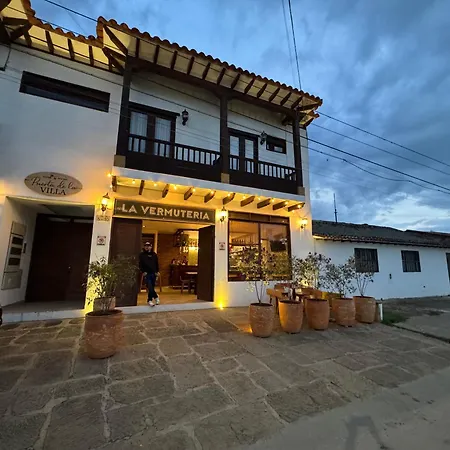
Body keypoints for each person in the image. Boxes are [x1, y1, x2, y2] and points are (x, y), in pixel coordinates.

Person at [139, 241, 160, 307]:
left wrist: (157, 271)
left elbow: (156, 264)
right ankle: (155, 297)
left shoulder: (154, 255)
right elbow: (140, 264)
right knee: (149, 286)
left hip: (153, 273)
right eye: (145, 246)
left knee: (152, 287)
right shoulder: (142, 255)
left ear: (151, 247)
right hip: (147, 273)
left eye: (148, 246)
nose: (147, 247)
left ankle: (150, 300)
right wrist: (143, 271)